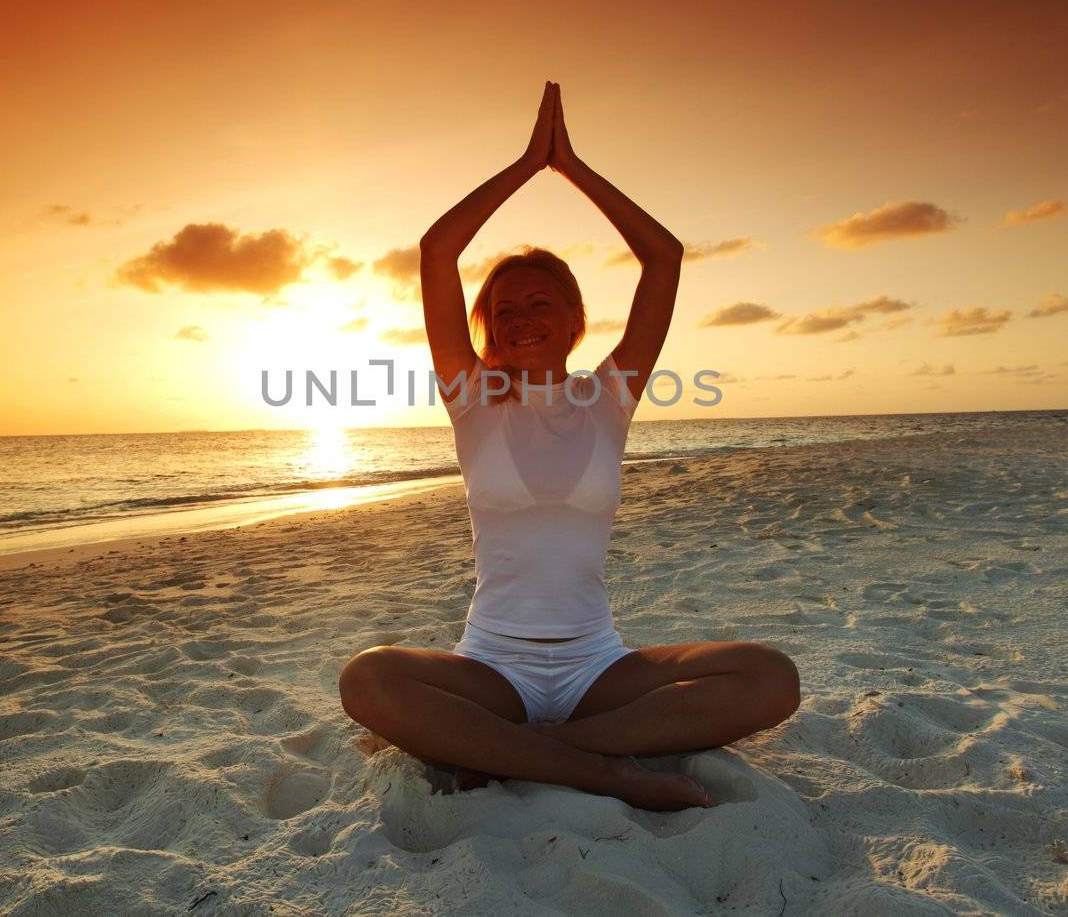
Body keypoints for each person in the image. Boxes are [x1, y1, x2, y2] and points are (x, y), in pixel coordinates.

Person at [339, 82, 801, 812]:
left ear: (575, 318)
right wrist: (527, 164)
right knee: (368, 677)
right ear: (486, 326)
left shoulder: (608, 396)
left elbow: (664, 259)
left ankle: (532, 754)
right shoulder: (473, 399)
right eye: (504, 309)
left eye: (539, 303)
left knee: (771, 676)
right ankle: (600, 768)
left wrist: (572, 167)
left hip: (598, 665)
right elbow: (437, 250)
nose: (521, 317)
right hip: (492, 665)